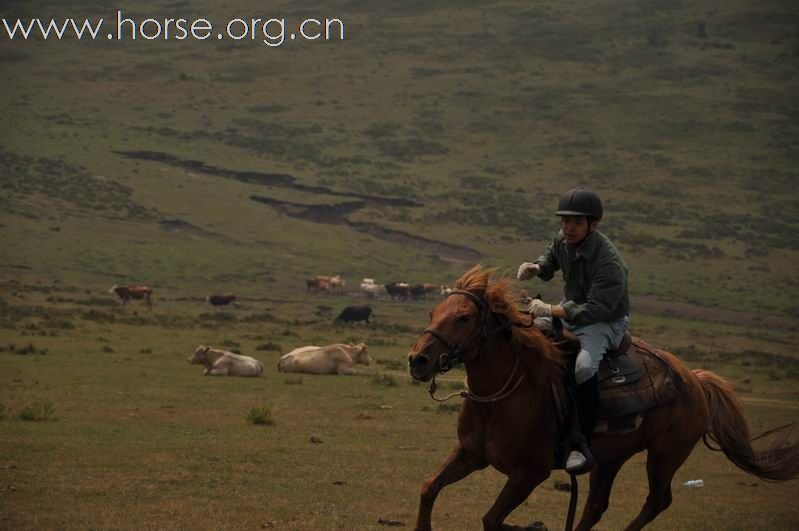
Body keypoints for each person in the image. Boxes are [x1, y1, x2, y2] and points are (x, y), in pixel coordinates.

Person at [516, 187, 629, 474]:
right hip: (571, 312)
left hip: (604, 322)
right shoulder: (563, 239)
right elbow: (551, 256)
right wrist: (536, 266)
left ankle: (582, 444)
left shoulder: (610, 262)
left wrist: (553, 310)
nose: (568, 228)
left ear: (593, 224)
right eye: (565, 221)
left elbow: (598, 309)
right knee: (529, 335)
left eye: (577, 222)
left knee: (582, 368)